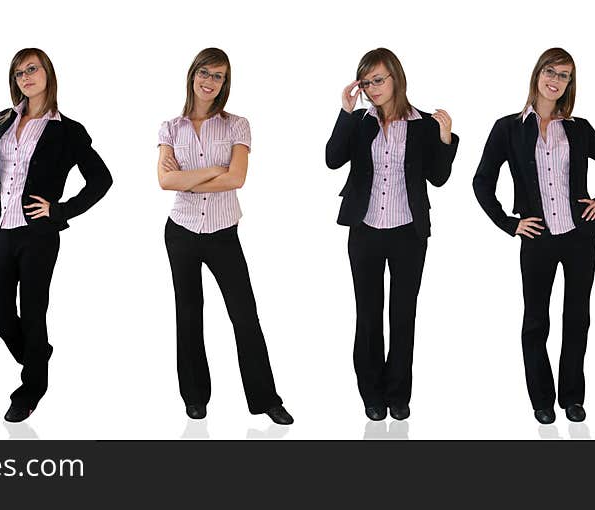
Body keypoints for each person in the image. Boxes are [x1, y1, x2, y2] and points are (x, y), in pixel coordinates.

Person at [473, 48, 595, 424]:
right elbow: (482, 180)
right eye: (551, 71)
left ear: (570, 83)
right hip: (537, 238)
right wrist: (509, 223)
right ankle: (541, 399)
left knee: (577, 318)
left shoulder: (578, 127)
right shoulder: (508, 127)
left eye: (565, 75)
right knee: (536, 320)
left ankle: (572, 397)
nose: (556, 80)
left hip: (579, 237)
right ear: (537, 74)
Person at [0, 48, 112, 422]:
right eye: (18, 73)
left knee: (33, 314)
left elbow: (101, 179)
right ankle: (38, 357)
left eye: (32, 69)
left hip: (38, 236)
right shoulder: (3, 119)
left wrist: (60, 210)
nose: (25, 77)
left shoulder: (67, 130)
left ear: (47, 72)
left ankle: (30, 390)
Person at [157, 48, 293, 425]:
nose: (210, 81)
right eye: (205, 72)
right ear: (193, 75)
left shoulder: (237, 125)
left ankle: (266, 399)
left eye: (218, 76)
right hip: (180, 232)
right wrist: (217, 168)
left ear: (225, 83)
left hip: (223, 233)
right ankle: (195, 397)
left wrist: (194, 175)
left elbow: (237, 178)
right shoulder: (170, 127)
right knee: (188, 313)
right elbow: (165, 181)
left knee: (244, 315)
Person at [325, 48, 458, 421]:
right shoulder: (361, 121)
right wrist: (345, 111)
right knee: (367, 315)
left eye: (378, 80)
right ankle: (371, 393)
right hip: (364, 230)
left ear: (396, 78)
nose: (372, 88)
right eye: (366, 82)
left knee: (403, 315)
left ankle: (398, 395)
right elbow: (332, 158)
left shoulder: (424, 123)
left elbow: (439, 177)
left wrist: (445, 139)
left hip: (407, 234)